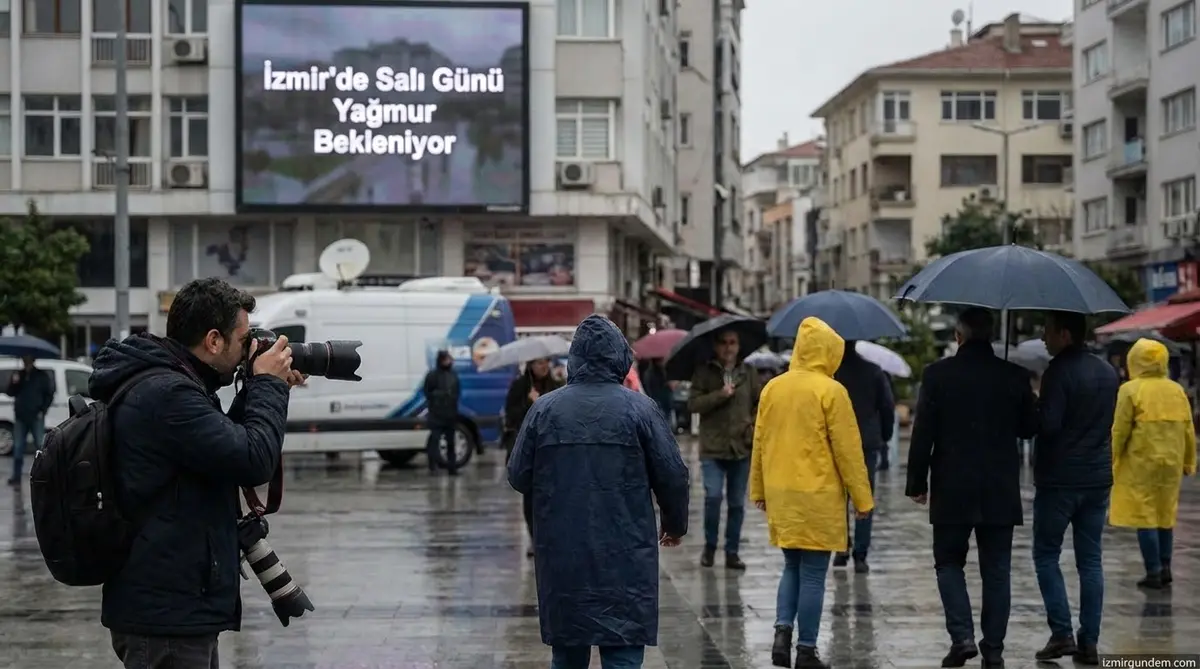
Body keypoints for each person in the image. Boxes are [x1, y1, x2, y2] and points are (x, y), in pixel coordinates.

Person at [87, 277, 300, 669]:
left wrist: (262, 385)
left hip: (172, 604)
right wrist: (268, 384)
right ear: (214, 340)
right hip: (167, 613)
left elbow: (222, 448)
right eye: (242, 339)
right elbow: (253, 459)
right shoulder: (167, 393)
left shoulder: (172, 383)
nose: (246, 349)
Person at [507, 315, 689, 669]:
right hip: (626, 553)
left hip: (563, 552)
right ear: (619, 357)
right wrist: (674, 524)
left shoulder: (544, 410)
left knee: (568, 652)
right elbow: (673, 474)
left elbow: (518, 475)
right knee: (622, 652)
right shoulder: (641, 409)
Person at [906, 308, 1037, 668]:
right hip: (999, 488)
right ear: (991, 336)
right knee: (997, 571)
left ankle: (962, 637)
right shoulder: (1014, 375)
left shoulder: (937, 375)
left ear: (958, 336)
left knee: (949, 563)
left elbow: (923, 433)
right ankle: (993, 650)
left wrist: (917, 482)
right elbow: (1029, 428)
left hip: (952, 486)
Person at [752, 317, 873, 669]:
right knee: (813, 573)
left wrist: (758, 488)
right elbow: (848, 451)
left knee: (790, 566)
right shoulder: (831, 391)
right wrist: (862, 498)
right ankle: (806, 649)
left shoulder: (773, 388)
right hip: (818, 494)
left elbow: (760, 442)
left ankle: (781, 634)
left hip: (782, 493)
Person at [1032, 311, 1119, 665]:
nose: (1042, 338)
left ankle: (1061, 631)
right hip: (1097, 478)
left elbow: (1049, 426)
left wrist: (1035, 408)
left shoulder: (1058, 373)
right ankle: (1090, 640)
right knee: (1091, 560)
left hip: (1060, 480)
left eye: (1048, 331)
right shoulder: (1108, 372)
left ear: (1065, 334)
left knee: (1046, 555)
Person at [1110, 338, 1197, 589]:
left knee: (1145, 516)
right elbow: (1188, 430)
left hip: (1141, 462)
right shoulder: (1176, 390)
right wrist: (1190, 462)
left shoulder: (1130, 390)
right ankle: (1166, 565)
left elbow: (1120, 430)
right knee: (1165, 514)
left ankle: (1153, 570)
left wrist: (1111, 458)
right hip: (1171, 462)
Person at [687, 328, 761, 570]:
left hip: (741, 446)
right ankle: (710, 547)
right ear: (716, 346)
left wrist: (752, 423)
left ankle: (732, 551)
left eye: (733, 342)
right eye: (723, 343)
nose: (728, 348)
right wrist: (720, 395)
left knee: (738, 503)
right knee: (713, 497)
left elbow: (759, 403)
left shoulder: (748, 373)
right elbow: (693, 404)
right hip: (713, 448)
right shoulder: (704, 372)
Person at [832, 339, 894, 573]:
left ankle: (841, 549)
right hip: (866, 442)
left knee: (838, 497)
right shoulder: (874, 371)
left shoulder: (831, 372)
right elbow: (887, 407)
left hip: (836, 441)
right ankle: (860, 553)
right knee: (863, 498)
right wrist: (885, 436)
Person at [503, 357, 564, 556]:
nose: (543, 365)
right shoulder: (520, 387)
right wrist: (529, 403)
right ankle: (534, 538)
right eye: (538, 362)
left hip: (552, 449)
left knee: (553, 497)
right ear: (530, 365)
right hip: (529, 449)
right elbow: (511, 416)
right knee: (530, 498)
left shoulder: (557, 387)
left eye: (546, 361)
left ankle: (551, 537)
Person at [4, 355, 55, 485]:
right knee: (18, 447)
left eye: (27, 360)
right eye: (24, 360)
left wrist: (42, 410)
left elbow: (49, 394)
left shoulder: (41, 376)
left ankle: (44, 475)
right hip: (21, 416)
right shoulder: (18, 375)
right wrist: (14, 382)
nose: (25, 362)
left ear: (32, 361)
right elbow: (10, 392)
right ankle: (16, 476)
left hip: (36, 415)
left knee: (40, 446)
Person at [423, 350, 461, 475]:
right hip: (437, 414)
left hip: (450, 414)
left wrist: (452, 399)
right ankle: (432, 466)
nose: (449, 361)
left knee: (451, 442)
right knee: (435, 441)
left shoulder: (453, 375)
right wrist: (440, 396)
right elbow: (428, 392)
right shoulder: (433, 375)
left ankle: (452, 467)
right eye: (446, 359)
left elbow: (457, 391)